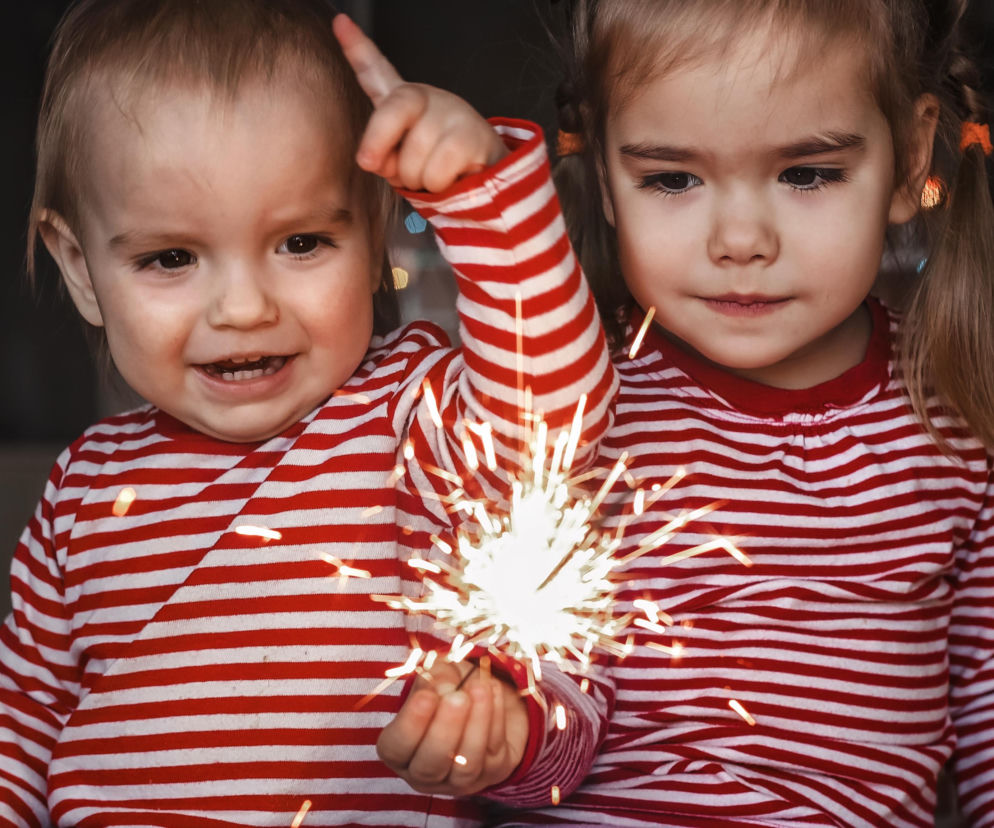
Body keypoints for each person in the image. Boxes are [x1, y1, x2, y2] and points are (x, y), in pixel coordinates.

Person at [0, 2, 615, 825]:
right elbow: (19, 731)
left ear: (371, 234)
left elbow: (557, 408)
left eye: (301, 243)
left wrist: (482, 199)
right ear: (80, 269)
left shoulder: (411, 412)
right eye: (171, 258)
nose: (245, 308)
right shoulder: (83, 489)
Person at [490, 0, 994, 826]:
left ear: (909, 158)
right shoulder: (573, 395)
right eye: (671, 179)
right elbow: (533, 733)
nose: (740, 239)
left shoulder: (955, 413)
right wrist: (498, 734)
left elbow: (984, 705)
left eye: (807, 173)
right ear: (608, 179)